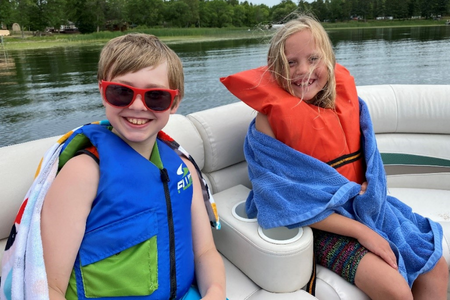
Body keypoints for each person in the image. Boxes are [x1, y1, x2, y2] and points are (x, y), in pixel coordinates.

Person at [220, 15, 448, 300]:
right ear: (277, 67)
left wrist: (371, 191)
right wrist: (362, 232)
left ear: (327, 59)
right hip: (314, 223)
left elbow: (372, 166)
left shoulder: (349, 104)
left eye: (313, 58)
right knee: (395, 290)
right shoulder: (268, 122)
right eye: (291, 62)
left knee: (436, 265)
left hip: (361, 206)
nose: (304, 71)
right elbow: (279, 197)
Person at [1, 33, 226, 300]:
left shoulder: (183, 168)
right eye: (122, 92)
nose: (138, 106)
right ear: (102, 92)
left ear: (174, 103)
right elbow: (50, 288)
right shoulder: (83, 174)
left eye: (156, 97)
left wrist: (214, 292)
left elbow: (204, 252)